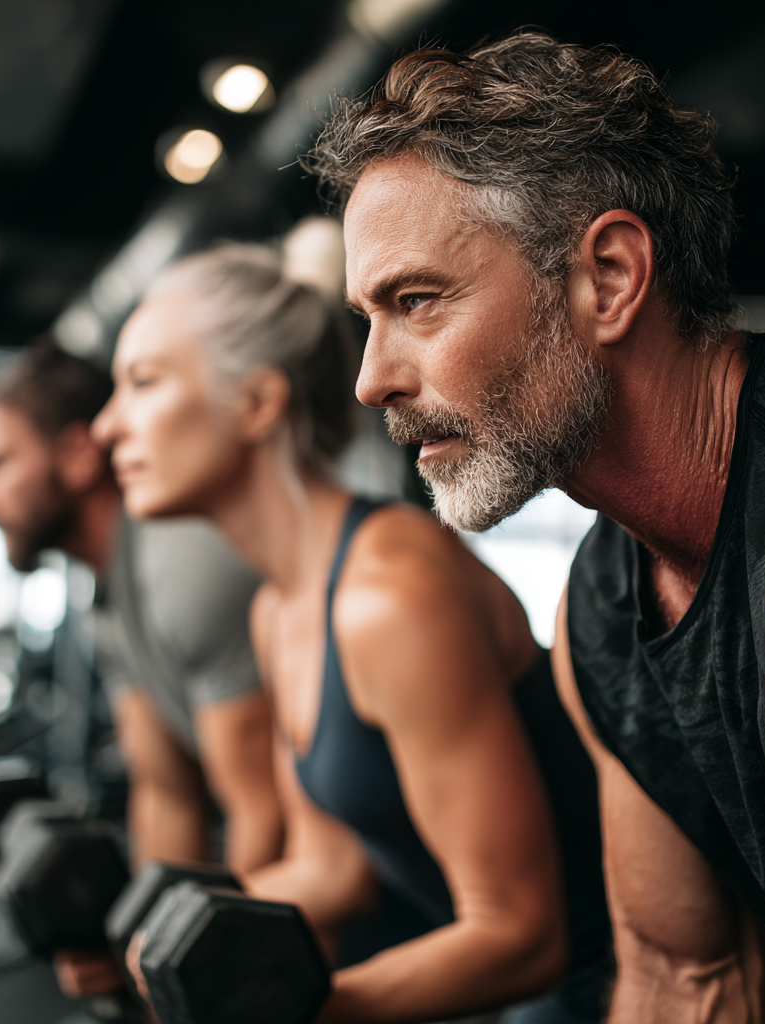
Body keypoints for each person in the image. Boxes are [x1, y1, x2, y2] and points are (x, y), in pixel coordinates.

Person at [305, 28, 765, 1024]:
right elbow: (681, 979)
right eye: (371, 318)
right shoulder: (605, 603)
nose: (372, 379)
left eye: (418, 301)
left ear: (609, 278)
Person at [92, 242, 612, 1024]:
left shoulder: (390, 593)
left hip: (613, 991)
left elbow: (521, 937)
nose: (106, 427)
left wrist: (299, 1011)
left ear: (258, 404)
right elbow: (332, 869)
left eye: (142, 383)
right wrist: (155, 951)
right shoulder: (277, 611)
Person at [0, 343, 283, 998]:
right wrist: (140, 945)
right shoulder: (103, 600)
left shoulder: (179, 561)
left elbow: (264, 811)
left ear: (78, 456)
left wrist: (195, 977)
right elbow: (166, 791)